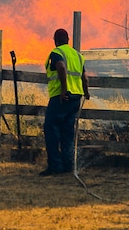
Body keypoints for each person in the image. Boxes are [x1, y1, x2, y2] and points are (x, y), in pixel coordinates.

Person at [40, 28, 90, 176]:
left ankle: (55, 165)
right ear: (68, 40)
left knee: (51, 128)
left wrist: (63, 90)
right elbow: (85, 78)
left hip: (61, 97)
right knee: (68, 131)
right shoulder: (78, 55)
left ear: (55, 40)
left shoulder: (56, 53)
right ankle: (68, 165)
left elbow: (61, 68)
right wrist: (86, 92)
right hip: (76, 97)